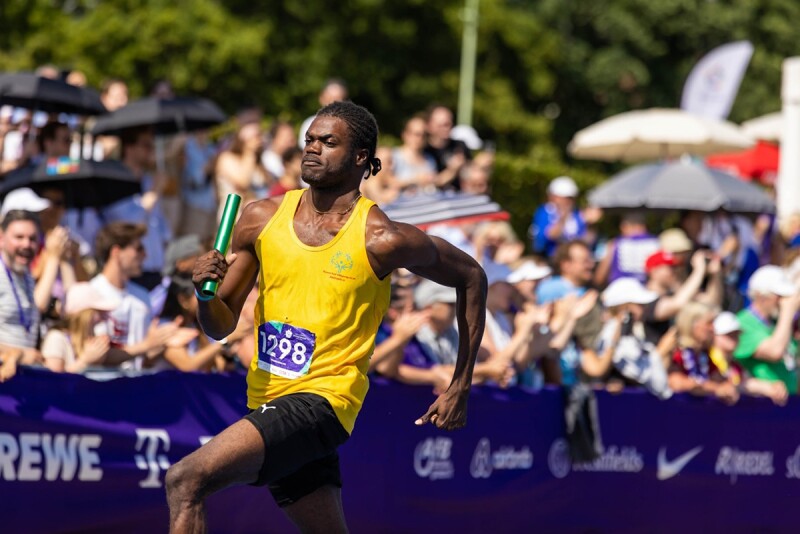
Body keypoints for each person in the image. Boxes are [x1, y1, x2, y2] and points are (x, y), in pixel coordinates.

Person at [168, 101, 487, 533]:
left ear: (360, 157)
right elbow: (220, 325)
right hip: (266, 397)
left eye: (328, 141)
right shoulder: (261, 218)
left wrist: (461, 384)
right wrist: (205, 294)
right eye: (309, 140)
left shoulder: (382, 238)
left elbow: (472, 276)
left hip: (323, 402)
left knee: (186, 479)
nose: (312, 148)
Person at [734, 265, 800, 395]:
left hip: (789, 400)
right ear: (761, 296)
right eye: (780, 297)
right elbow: (775, 352)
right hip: (760, 402)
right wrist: (788, 311)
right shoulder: (742, 323)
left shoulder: (776, 324)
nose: (783, 302)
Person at [668, 301, 739, 405]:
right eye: (709, 323)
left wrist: (726, 388)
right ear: (693, 324)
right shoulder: (675, 351)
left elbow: (719, 380)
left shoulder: (705, 355)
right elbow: (676, 382)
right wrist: (716, 388)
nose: (713, 328)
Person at [41, 282, 116, 373]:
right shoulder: (56, 338)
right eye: (97, 311)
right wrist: (85, 361)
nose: (103, 317)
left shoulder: (88, 337)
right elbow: (53, 378)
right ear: (84, 314)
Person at [530, 176, 600, 257]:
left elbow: (587, 241)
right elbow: (546, 238)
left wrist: (590, 225)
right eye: (565, 198)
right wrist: (563, 218)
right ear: (552, 197)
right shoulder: (545, 212)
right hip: (550, 258)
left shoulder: (577, 215)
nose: (568, 202)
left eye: (570, 198)